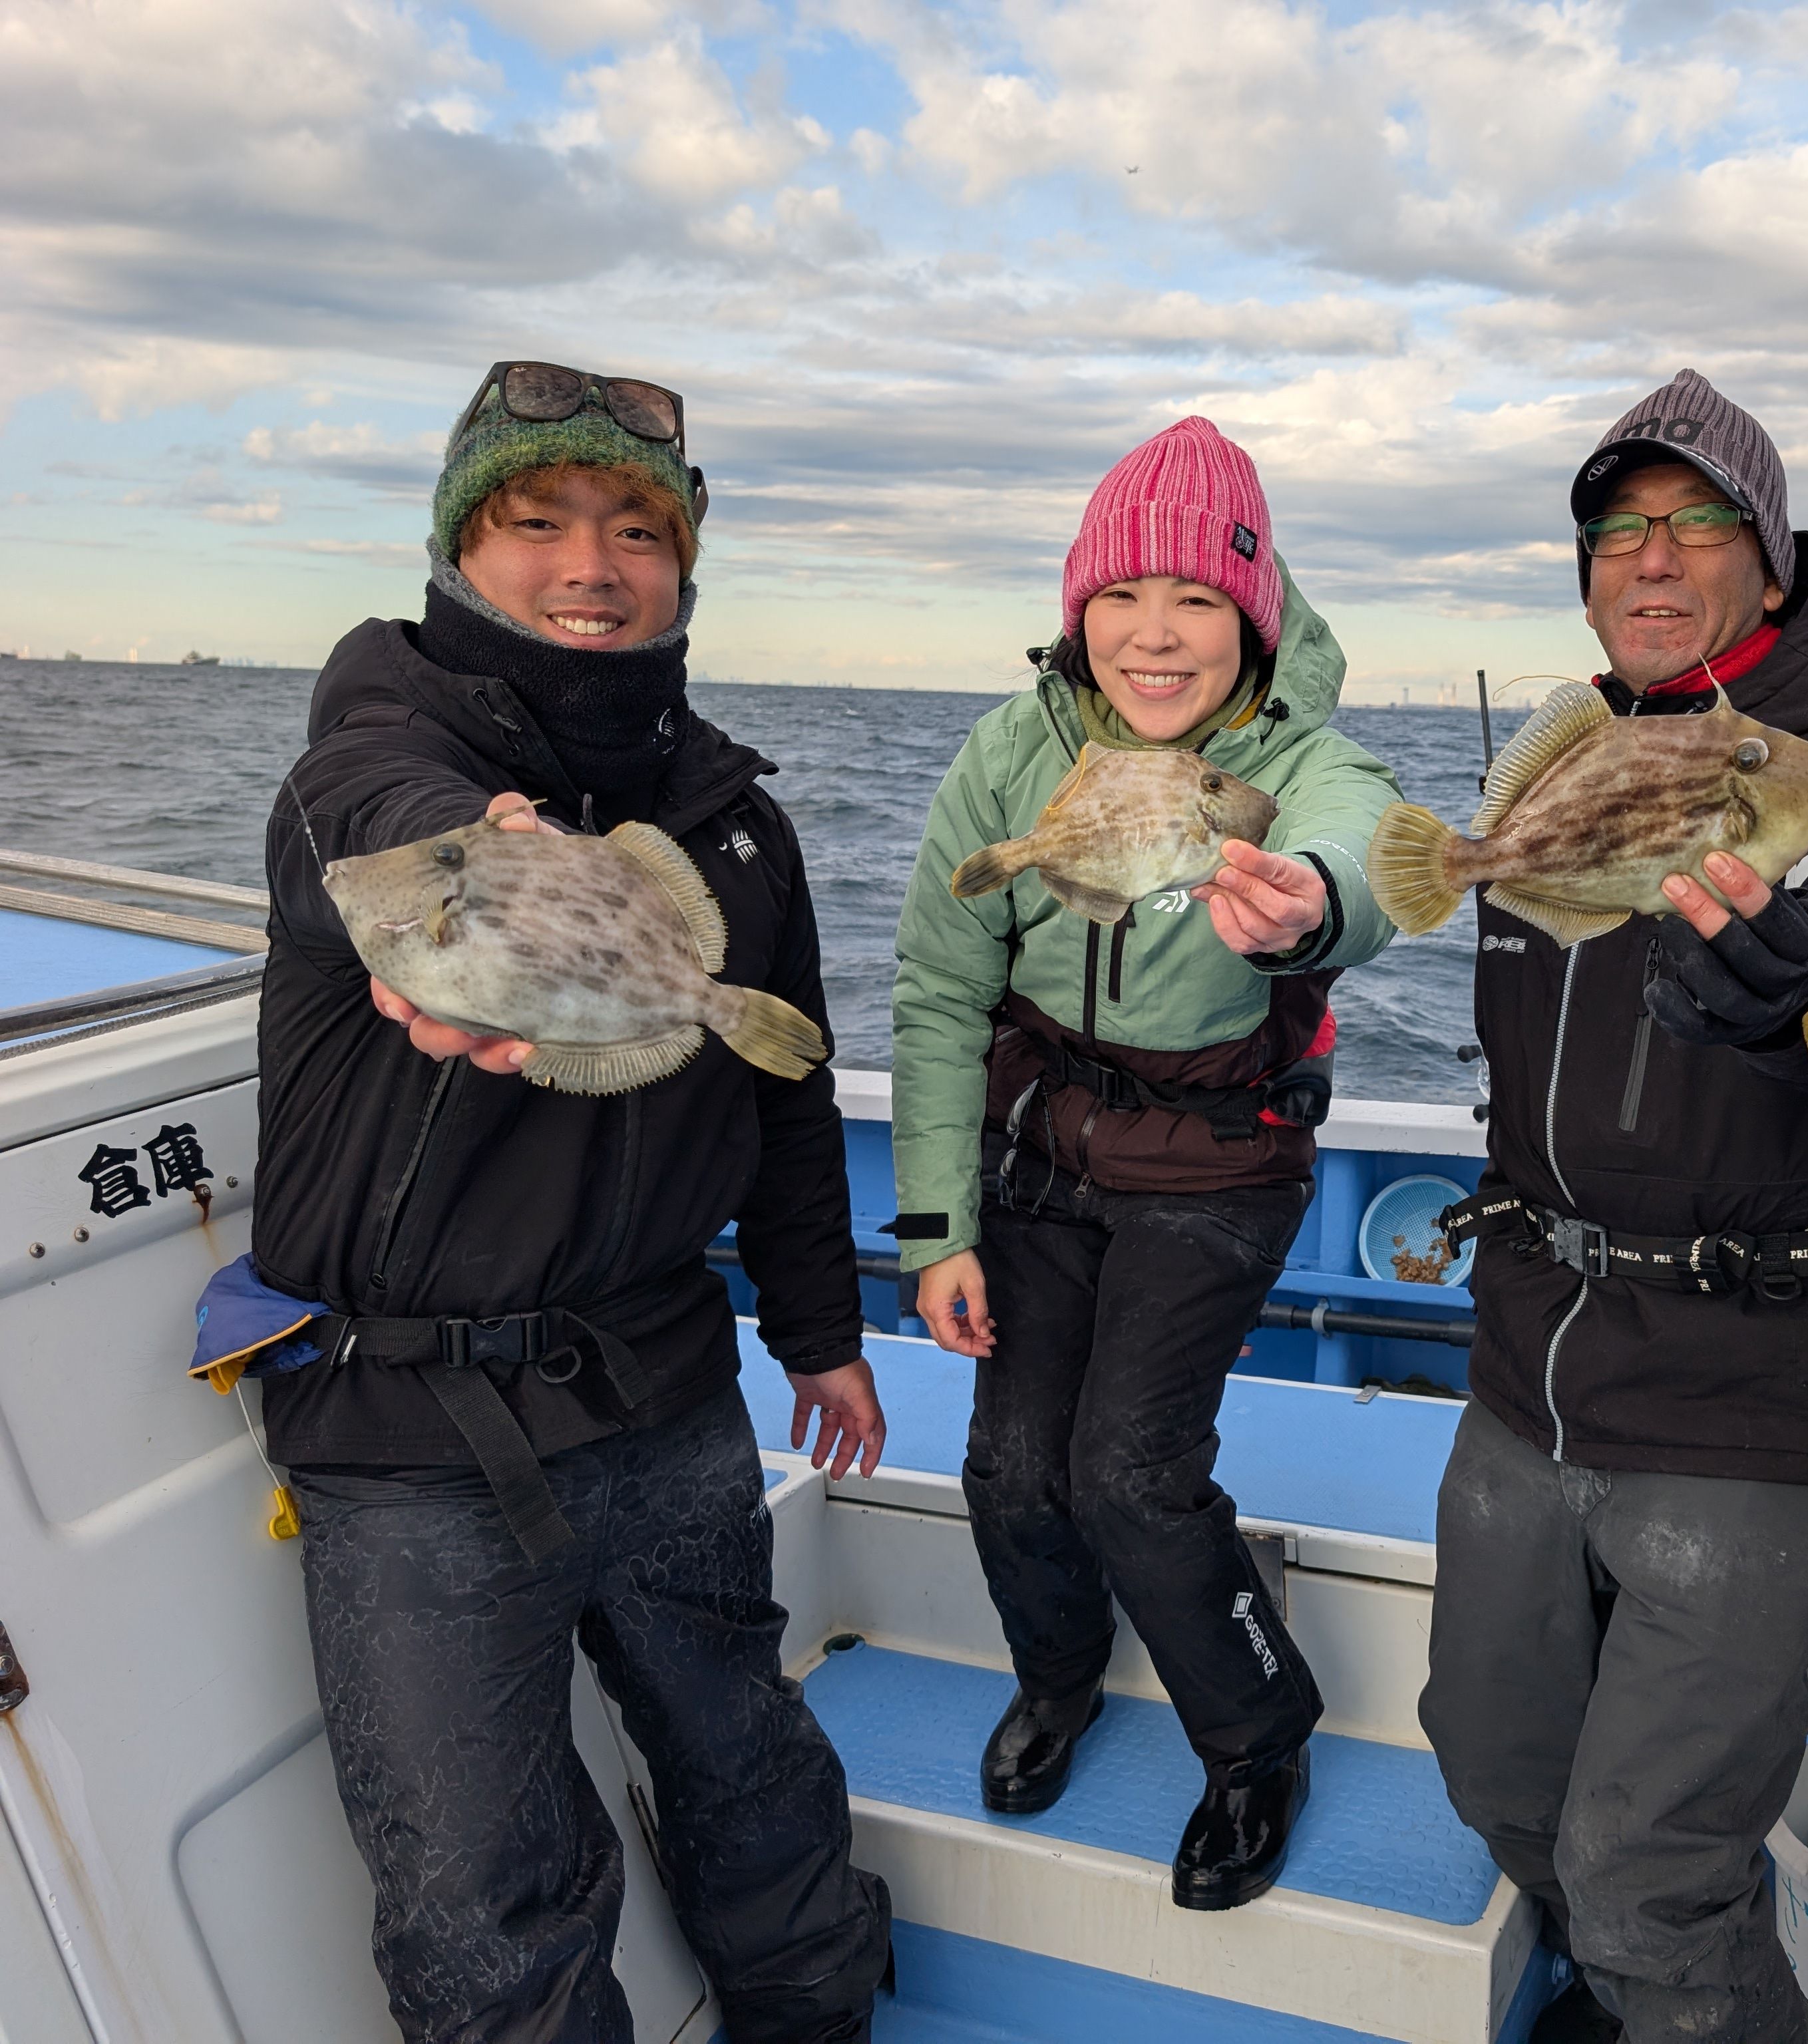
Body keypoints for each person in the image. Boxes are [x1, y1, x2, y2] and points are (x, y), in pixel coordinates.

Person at [248, 363, 894, 2043]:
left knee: (750, 1758)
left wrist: (821, 1336)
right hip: (414, 1434)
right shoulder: (372, 760)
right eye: (537, 522)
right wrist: (477, 868)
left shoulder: (737, 826)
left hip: (669, 1382)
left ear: (684, 568)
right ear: (461, 547)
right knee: (482, 1895)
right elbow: (366, 825)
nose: (591, 567)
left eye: (637, 532)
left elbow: (787, 1100)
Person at [1417, 369, 1808, 2043]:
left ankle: (1665, 1992)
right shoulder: (1571, 763)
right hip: (1531, 1356)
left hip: (1751, 1383)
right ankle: (1625, 2003)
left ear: (1772, 560)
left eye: (1699, 524)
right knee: (1491, 1767)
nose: (1651, 559)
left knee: (1650, 1876)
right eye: (1618, 532)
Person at [890, 417, 1401, 1908]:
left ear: (1255, 615)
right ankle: (1059, 1674)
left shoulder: (1298, 758)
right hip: (1042, 1159)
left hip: (1219, 1164)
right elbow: (939, 991)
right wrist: (936, 1229)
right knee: (1010, 1469)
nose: (1154, 635)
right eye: (1120, 595)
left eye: (1195, 598)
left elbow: (1361, 848)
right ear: (1078, 609)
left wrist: (1309, 904)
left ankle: (1257, 1739)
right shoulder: (1011, 752)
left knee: (1128, 1472)